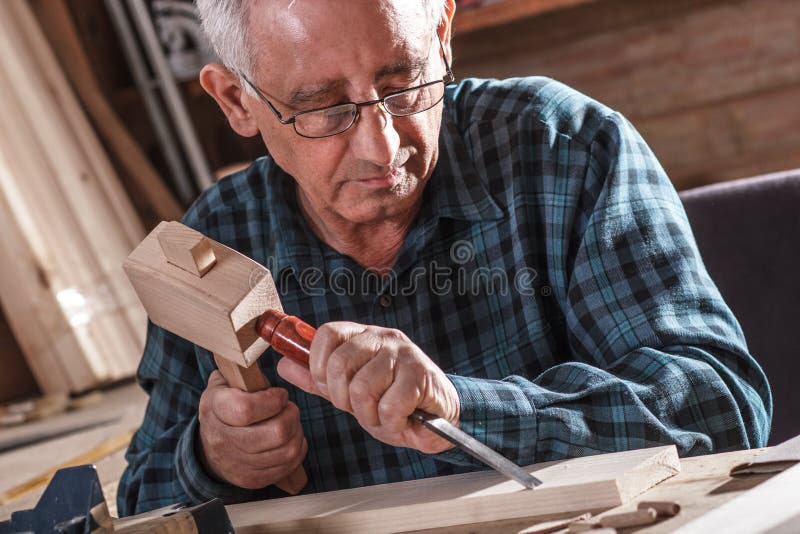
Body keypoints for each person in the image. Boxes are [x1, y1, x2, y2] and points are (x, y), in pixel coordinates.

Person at [117, 0, 771, 516]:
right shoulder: (209, 247)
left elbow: (721, 408)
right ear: (236, 99)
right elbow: (138, 502)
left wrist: (462, 408)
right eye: (325, 110)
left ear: (444, 32)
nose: (381, 147)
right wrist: (210, 460)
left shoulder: (568, 149)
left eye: (402, 83)